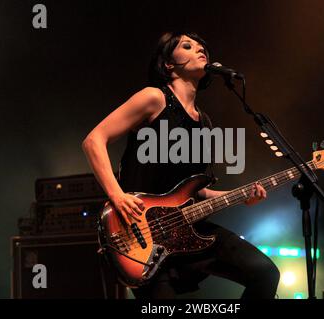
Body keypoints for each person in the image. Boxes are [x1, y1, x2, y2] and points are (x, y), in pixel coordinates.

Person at [82, 31, 280, 299]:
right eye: (187, 46)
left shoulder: (204, 123)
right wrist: (117, 195)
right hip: (142, 234)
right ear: (168, 64)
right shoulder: (155, 98)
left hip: (188, 228)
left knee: (265, 273)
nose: (200, 50)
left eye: (202, 47)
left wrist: (242, 196)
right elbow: (94, 140)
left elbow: (194, 191)